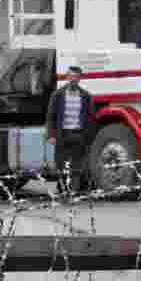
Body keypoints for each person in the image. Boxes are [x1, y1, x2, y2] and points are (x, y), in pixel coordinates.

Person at [46, 65, 93, 195]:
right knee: (61, 164)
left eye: (76, 77)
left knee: (77, 165)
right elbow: (51, 116)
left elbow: (90, 117)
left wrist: (88, 136)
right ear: (67, 77)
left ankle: (74, 190)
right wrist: (51, 135)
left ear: (79, 78)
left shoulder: (86, 96)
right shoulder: (57, 95)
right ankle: (62, 188)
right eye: (71, 76)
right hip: (62, 134)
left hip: (78, 134)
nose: (73, 79)